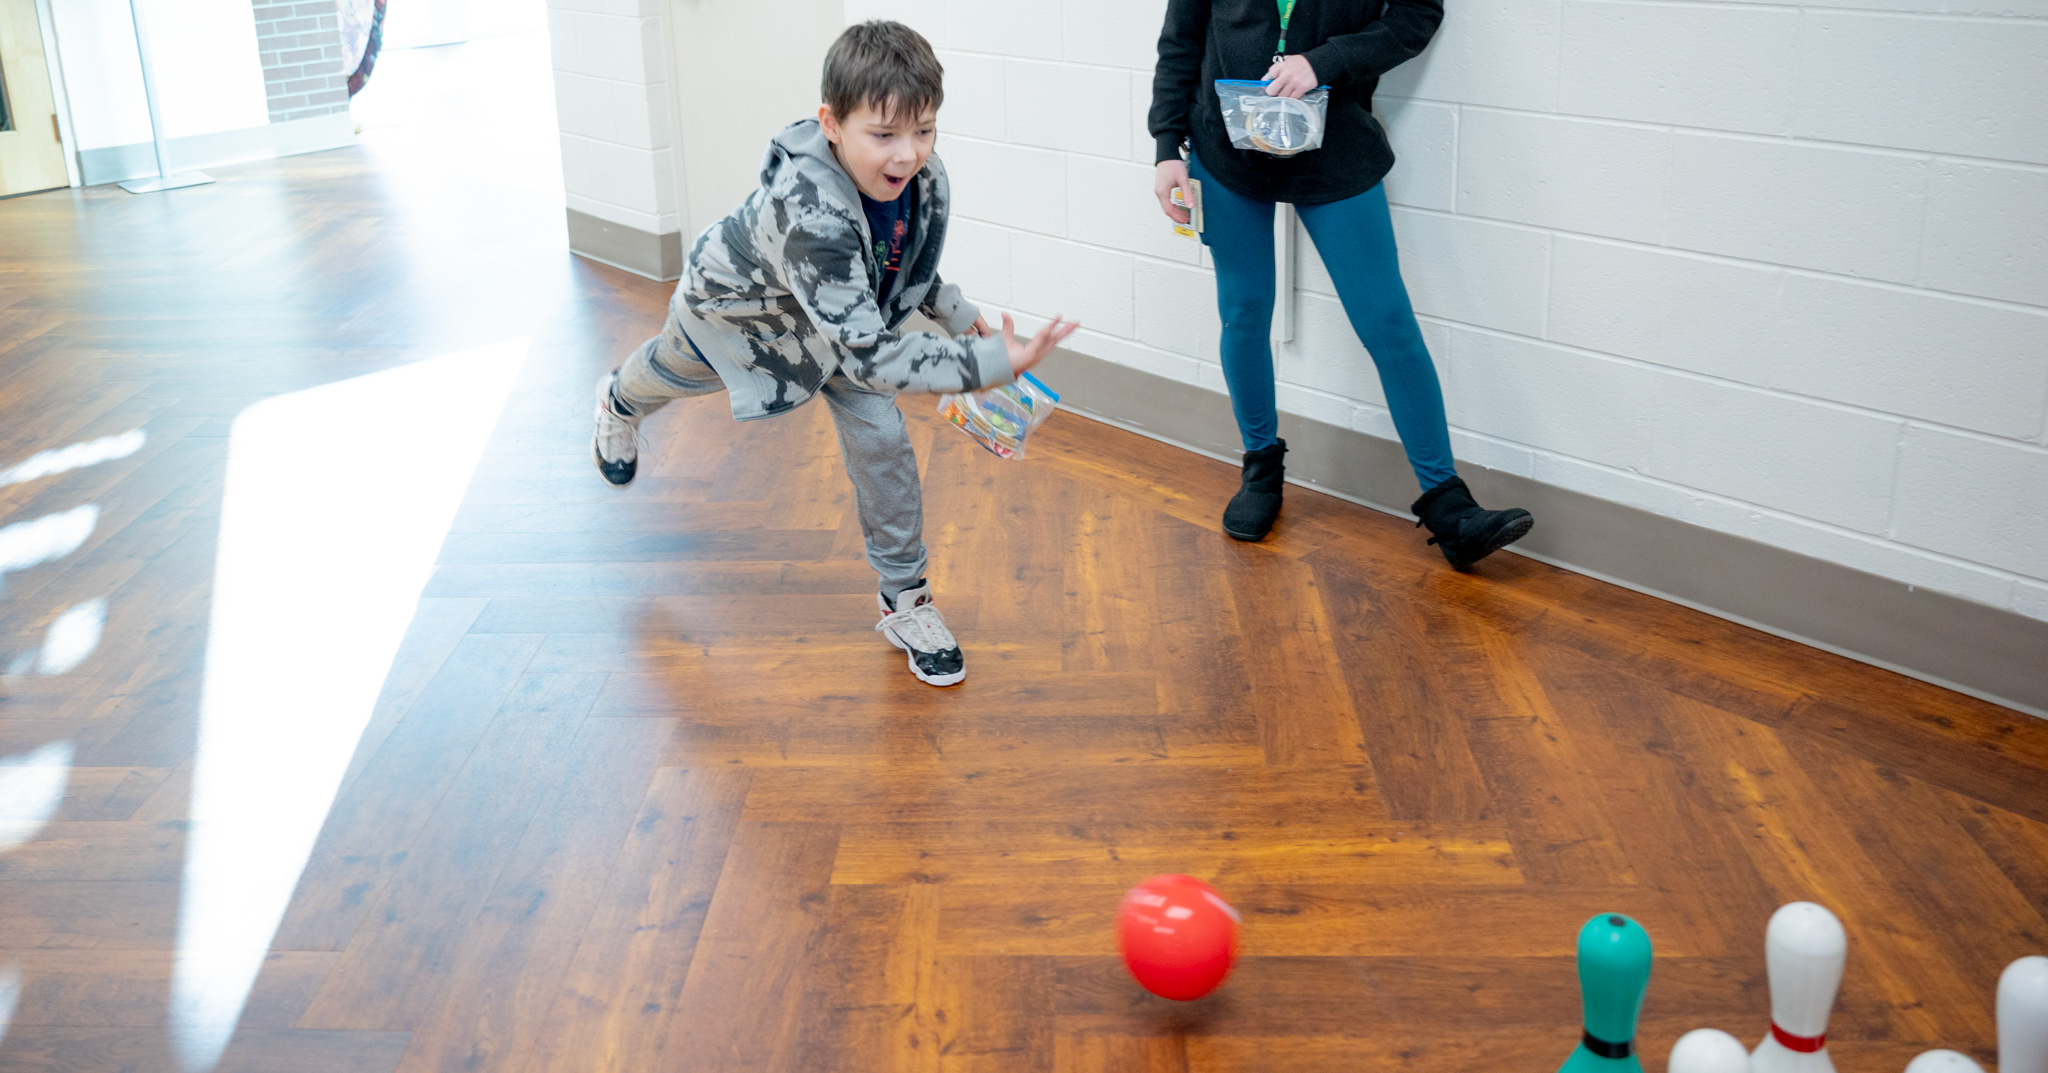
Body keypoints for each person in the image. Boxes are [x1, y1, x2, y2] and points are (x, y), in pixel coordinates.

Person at [590, 20, 1079, 686]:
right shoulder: (810, 212)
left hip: (850, 328)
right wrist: (992, 366)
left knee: (883, 442)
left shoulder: (916, 177)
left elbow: (899, 264)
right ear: (831, 123)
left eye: (924, 129)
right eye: (884, 135)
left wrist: (959, 318)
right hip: (741, 319)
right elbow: (874, 358)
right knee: (667, 373)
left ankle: (906, 598)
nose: (908, 155)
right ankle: (618, 399)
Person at [1148, 0, 1533, 567]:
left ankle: (1448, 505)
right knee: (1246, 311)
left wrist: (1324, 61)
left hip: (1338, 150)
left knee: (1388, 322)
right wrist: (1166, 147)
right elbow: (1181, 38)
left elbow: (1416, 14)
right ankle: (1261, 472)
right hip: (1224, 151)